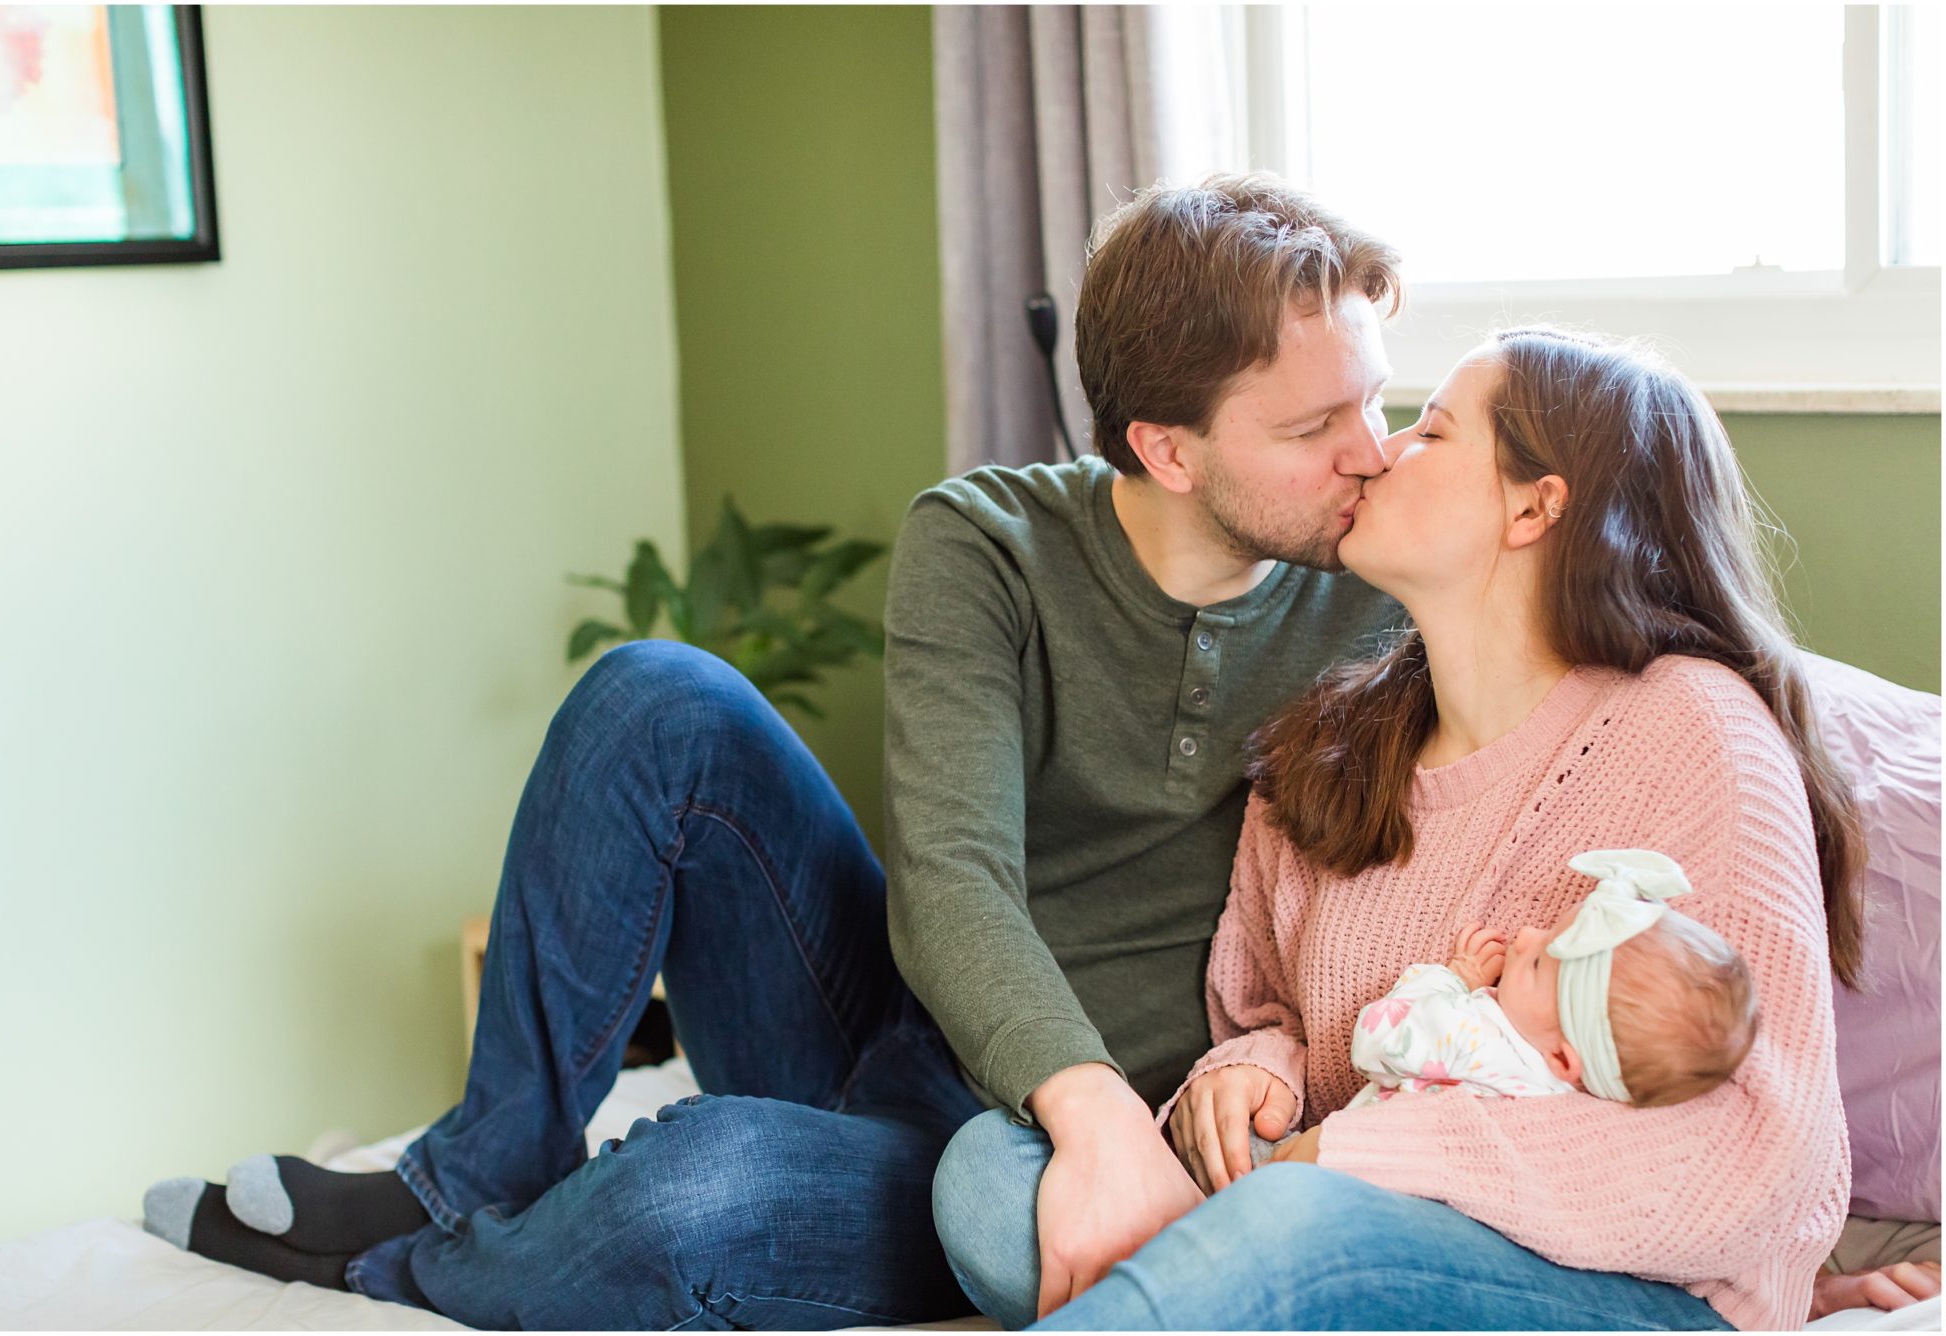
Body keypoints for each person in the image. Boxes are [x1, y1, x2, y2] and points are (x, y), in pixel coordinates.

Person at [138, 173, 1409, 1328]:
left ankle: (418, 1261)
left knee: (691, 1192)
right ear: (1164, 449)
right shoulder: (988, 544)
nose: (1370, 454)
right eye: (1312, 428)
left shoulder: (1392, 588)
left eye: (1373, 398)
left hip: (1011, 1164)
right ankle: (480, 1166)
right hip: (919, 1042)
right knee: (657, 697)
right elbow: (953, 875)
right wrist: (1087, 1110)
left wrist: (1123, 1140)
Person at [942, 327, 1863, 1331]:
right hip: (1342, 1216)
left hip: (1628, 1293)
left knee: (1293, 1225)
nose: (1378, 452)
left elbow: (1757, 1155)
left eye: (1430, 429)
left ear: (1529, 505)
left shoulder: (1690, 729)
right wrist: (1252, 1074)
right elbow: (1277, 1024)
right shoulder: (1325, 750)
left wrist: (1351, 1161)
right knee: (990, 1180)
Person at [1334, 850, 1757, 1113]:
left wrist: (1455, 977)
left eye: (1537, 963)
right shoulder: (1556, 1098)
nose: (1526, 937)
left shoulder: (1473, 1038)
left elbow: (1375, 1041)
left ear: (1562, 1058)